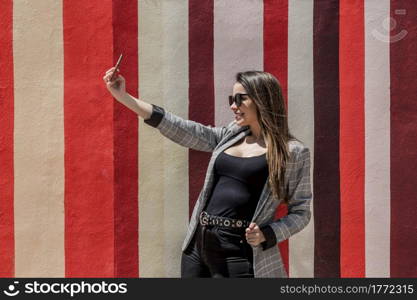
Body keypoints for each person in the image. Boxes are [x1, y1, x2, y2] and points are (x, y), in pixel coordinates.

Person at [102, 68, 312, 278]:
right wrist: (124, 97)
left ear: (263, 100)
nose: (233, 106)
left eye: (240, 99)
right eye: (232, 98)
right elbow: (185, 130)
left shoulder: (291, 152)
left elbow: (301, 212)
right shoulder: (232, 133)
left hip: (240, 249)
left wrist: (268, 234)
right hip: (199, 244)